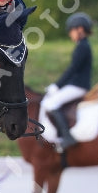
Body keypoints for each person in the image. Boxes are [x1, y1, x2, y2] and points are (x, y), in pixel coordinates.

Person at [41, 12, 94, 151]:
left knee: (51, 103)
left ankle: (67, 137)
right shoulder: (82, 45)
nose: (70, 34)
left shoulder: (82, 46)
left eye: (72, 30)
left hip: (78, 86)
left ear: (80, 29)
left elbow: (73, 69)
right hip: (76, 84)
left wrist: (57, 86)